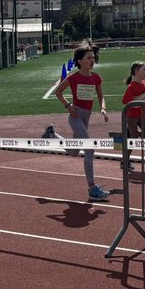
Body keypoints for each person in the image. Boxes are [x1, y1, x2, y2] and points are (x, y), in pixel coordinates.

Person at [53, 45, 109, 201]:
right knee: (89, 149)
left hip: (86, 118)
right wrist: (68, 105)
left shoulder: (96, 77)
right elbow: (58, 92)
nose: (92, 60)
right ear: (79, 61)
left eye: (93, 57)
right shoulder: (73, 77)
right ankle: (92, 188)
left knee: (73, 152)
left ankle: (52, 135)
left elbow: (100, 97)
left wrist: (103, 108)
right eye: (88, 58)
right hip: (75, 116)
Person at [121, 61, 145, 140]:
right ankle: (130, 135)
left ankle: (129, 132)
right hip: (132, 117)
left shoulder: (144, 83)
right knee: (133, 141)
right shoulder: (131, 87)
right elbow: (125, 101)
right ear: (136, 71)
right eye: (144, 69)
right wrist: (139, 100)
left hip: (141, 115)